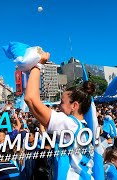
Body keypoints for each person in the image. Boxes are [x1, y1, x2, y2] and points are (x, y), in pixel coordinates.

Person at [24, 51, 95, 179]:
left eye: (62, 102)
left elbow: (30, 99)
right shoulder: (84, 128)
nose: (58, 106)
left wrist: (38, 64)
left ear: (74, 106)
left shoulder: (70, 125)